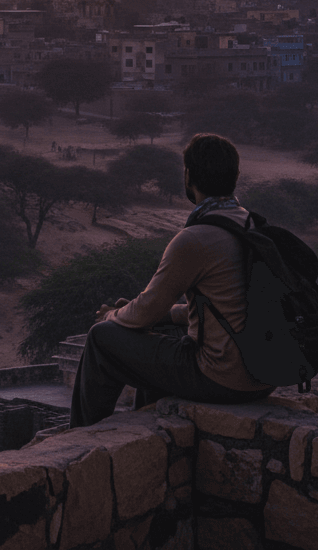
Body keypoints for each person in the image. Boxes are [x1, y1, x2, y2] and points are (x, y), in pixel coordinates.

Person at [69, 132, 276, 428]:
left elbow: (144, 313)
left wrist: (111, 316)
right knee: (164, 328)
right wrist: (166, 314)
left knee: (101, 337)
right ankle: (153, 422)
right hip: (264, 376)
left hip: (222, 379)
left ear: (188, 176)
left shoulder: (195, 239)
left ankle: (82, 435)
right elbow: (226, 305)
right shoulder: (254, 225)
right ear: (235, 176)